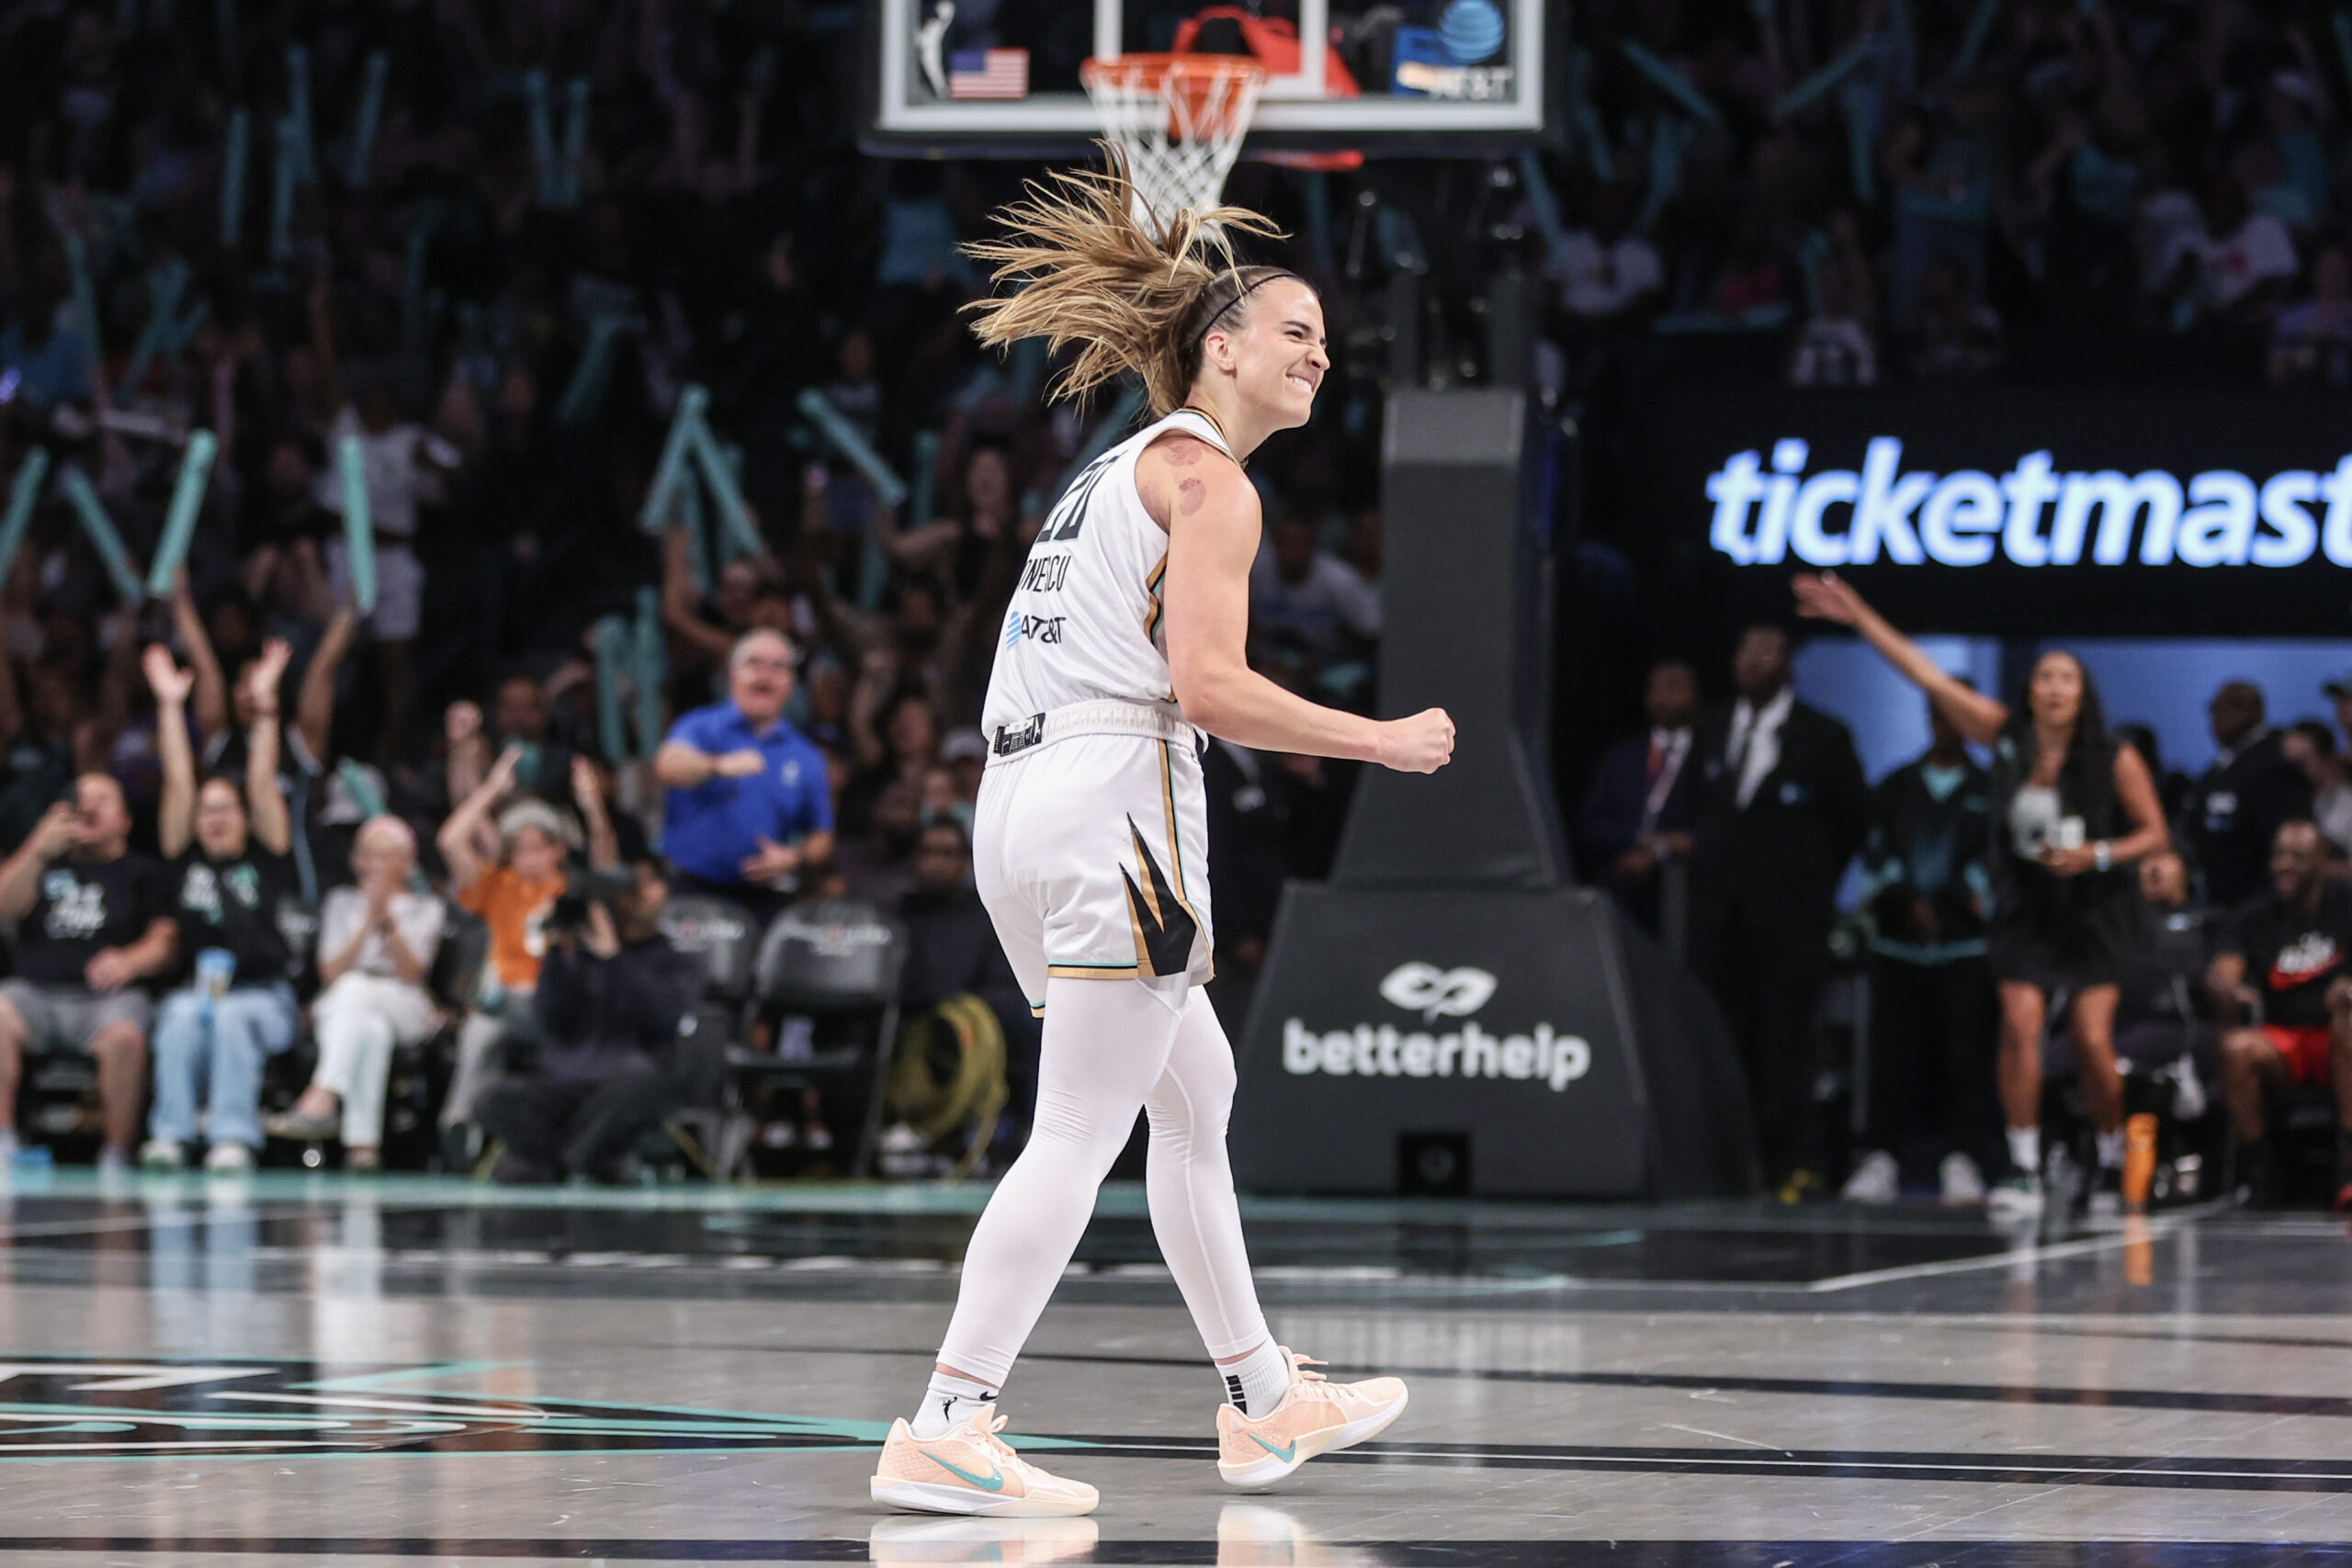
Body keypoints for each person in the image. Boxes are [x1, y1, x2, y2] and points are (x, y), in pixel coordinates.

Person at [865, 154, 1452, 1518]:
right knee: (1076, 1126)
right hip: (1115, 795)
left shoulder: (1105, 471)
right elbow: (1209, 688)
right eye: (1296, 331)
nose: (1320, 352)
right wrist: (1380, 738)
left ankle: (1262, 1400)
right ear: (1222, 345)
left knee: (1196, 1096)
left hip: (1019, 801)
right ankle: (951, 1416)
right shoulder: (1213, 485)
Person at [1795, 574, 2170, 1220]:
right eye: (2044, 677)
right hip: (2026, 909)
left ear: (2084, 694)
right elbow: (1928, 676)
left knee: (2089, 1040)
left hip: (2094, 913)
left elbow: (2156, 833)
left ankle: (2111, 1157)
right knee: (2020, 1029)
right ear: (2030, 690)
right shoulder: (2004, 741)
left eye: (2066, 679)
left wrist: (2096, 854)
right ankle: (2023, 1169)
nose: (2053, 687)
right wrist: (1859, 614)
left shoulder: (2114, 757)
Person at [1686, 625, 1869, 1201]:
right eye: (1744, 650)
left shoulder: (1824, 736)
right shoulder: (1710, 728)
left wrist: (1808, 889)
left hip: (1790, 923)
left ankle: (1791, 1163)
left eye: (1765, 652)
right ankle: (1724, 1165)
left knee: (1785, 1049)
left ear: (1788, 664)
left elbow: (1853, 826)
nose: (1751, 661)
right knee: (1721, 1043)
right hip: (1720, 921)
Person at [141, 643, 303, 1173]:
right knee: (179, 1017)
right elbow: (179, 780)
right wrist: (169, 705)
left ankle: (234, 1137)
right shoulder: (182, 860)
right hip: (198, 991)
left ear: (244, 817)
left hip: (263, 996)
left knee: (232, 1017)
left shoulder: (269, 855)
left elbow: (260, 777)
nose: (213, 819)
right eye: (205, 812)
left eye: (224, 811)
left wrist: (266, 704)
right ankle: (171, 1135)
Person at [1842, 696, 1996, 1206]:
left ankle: (1963, 1159)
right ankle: (1881, 1158)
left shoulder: (1990, 790)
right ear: (1929, 721)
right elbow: (1875, 852)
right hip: (1898, 946)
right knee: (1891, 1058)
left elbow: (1995, 861)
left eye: (1958, 717)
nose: (1947, 725)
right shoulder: (1894, 786)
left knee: (1965, 1058)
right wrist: (1906, 901)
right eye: (1939, 714)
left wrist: (1952, 901)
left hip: (1965, 947)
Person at [475, 859, 703, 1184]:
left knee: (643, 1081)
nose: (637, 897)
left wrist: (614, 958)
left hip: (623, 1083)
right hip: (566, 1081)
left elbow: (659, 1017)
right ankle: (592, 1158)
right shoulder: (579, 957)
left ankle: (558, 1161)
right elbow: (550, 1021)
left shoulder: (678, 961)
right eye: (629, 891)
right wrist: (556, 953)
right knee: (492, 1098)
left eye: (647, 886)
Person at [436, 748, 620, 1149]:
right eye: (520, 849)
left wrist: (593, 811)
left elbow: (608, 938)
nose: (530, 858)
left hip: (559, 1008)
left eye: (539, 847)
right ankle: (460, 1127)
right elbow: (450, 841)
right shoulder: (499, 887)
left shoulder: (572, 892)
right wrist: (491, 789)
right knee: (478, 1031)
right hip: (506, 1005)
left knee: (500, 1007)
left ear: (558, 849)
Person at [0, 774, 177, 1170]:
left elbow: (166, 939)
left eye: (102, 798)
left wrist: (131, 961)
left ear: (125, 821)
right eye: (79, 798)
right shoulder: (44, 863)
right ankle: (3, 1143)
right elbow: (3, 908)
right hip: (35, 996)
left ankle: (115, 1154)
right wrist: (36, 849)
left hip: (107, 1001)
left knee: (126, 1037)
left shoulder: (142, 871)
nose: (88, 805)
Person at [264, 817, 446, 1170]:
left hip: (404, 1002)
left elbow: (413, 974)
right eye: (369, 856)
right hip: (346, 1001)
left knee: (357, 991)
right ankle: (363, 1146)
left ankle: (323, 1095)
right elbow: (330, 972)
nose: (375, 865)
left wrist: (387, 923)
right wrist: (366, 922)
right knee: (369, 1028)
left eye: (387, 856)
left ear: (408, 863)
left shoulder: (427, 908)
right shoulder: (341, 902)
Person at [2208, 820, 2352, 1211]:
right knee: (2235, 1048)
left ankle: (2348, 1163)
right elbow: (2223, 968)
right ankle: (2262, 1170)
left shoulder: (2344, 905)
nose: (2284, 866)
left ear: (2322, 863)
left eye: (2298, 857)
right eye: (2279, 855)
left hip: (2337, 1039)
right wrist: (2227, 987)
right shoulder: (2255, 914)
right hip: (2284, 1040)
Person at [654, 627, 835, 923]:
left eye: (778, 667)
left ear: (791, 682)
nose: (765, 675)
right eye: (754, 663)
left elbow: (822, 836)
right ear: (733, 672)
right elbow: (667, 764)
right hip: (689, 892)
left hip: (761, 901)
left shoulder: (806, 756)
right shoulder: (701, 726)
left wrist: (795, 858)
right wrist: (718, 766)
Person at [1575, 660, 1701, 936]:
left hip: (1684, 893)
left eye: (1675, 686)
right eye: (1657, 688)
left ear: (1694, 693)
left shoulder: (1709, 756)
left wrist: (1664, 849)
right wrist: (1639, 843)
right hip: (1620, 885)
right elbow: (1591, 825)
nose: (1665, 696)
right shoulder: (1621, 757)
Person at [2181, 682, 2311, 908]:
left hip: (2257, 902)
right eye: (2213, 708)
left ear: (2255, 711)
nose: (2217, 717)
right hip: (2215, 897)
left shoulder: (2275, 764)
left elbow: (2285, 840)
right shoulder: (2219, 767)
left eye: (2230, 707)